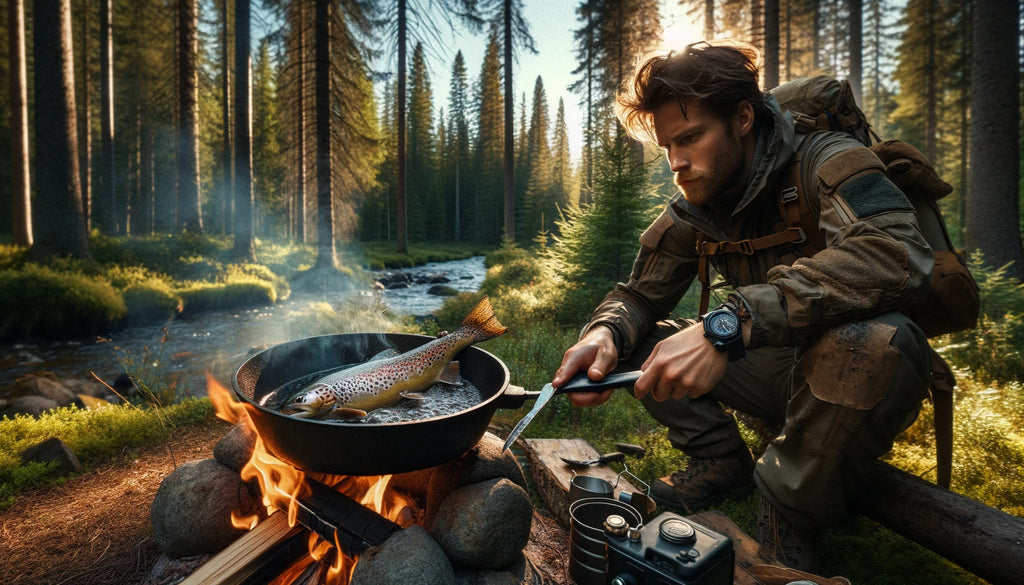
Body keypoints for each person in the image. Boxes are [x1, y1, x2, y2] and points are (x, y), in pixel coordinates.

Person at [551, 40, 934, 570]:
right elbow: (639, 294)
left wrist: (729, 325)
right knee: (641, 340)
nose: (677, 163)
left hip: (859, 373)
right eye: (667, 147)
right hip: (777, 369)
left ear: (743, 118)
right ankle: (721, 460)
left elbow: (896, 252)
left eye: (690, 138)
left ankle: (787, 513)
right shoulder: (699, 200)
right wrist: (603, 334)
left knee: (864, 342)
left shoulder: (828, 159)